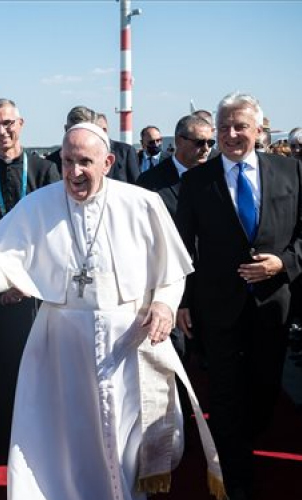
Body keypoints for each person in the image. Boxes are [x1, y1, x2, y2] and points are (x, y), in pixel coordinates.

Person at [0, 123, 222, 500]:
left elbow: (172, 270)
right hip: (60, 340)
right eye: (67, 161)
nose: (74, 172)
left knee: (126, 431)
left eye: (85, 161)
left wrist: (165, 305)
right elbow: (1, 256)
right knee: (65, 434)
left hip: (127, 339)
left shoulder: (141, 203)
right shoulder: (39, 204)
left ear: (108, 161)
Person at [176, 92, 302, 500]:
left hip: (273, 305)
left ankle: (248, 442)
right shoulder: (197, 181)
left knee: (264, 391)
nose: (231, 134)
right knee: (226, 395)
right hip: (217, 307)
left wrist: (283, 263)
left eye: (240, 126)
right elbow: (182, 246)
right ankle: (237, 477)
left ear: (259, 129)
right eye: (224, 126)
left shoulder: (291, 172)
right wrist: (181, 301)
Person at [0, 98, 59, 447]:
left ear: (21, 123)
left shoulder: (46, 171)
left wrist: (23, 283)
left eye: (8, 124)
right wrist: (1, 280)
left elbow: (52, 233)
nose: (2, 131)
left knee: (38, 367)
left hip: (36, 289)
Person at [137, 114, 214, 218]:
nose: (206, 149)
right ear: (179, 141)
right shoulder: (149, 181)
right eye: (199, 142)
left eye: (210, 143)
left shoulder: (217, 176)